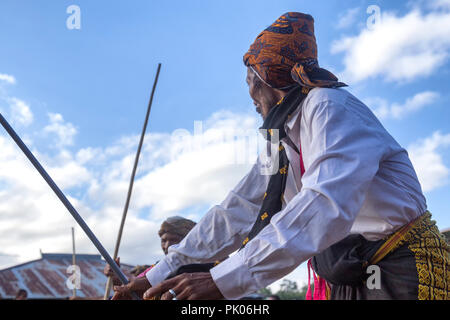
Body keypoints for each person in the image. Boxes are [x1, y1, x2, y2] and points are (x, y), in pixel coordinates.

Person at [115, 12, 450, 300]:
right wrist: (156, 275)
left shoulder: (327, 107)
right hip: (347, 273)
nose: (249, 95)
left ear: (263, 79)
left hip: (400, 266)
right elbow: (238, 212)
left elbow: (324, 204)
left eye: (249, 79)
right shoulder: (283, 139)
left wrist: (223, 279)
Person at [104, 216, 196, 299]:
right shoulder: (156, 268)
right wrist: (116, 276)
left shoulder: (203, 270)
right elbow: (132, 289)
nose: (167, 246)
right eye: (164, 240)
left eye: (174, 240)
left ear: (187, 241)